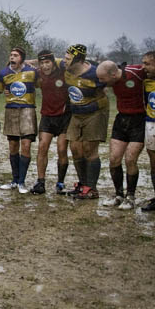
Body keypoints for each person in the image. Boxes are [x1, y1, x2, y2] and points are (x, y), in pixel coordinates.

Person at [97, 59, 147, 209]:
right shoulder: (109, 79)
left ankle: (130, 197)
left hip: (139, 120)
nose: (100, 82)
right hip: (121, 119)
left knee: (130, 159)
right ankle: (118, 195)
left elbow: (150, 68)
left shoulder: (136, 72)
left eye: (102, 79)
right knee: (114, 158)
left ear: (113, 74)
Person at [62, 44, 109, 200]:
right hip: (76, 113)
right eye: (65, 58)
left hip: (94, 113)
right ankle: (82, 184)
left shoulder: (95, 73)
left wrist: (93, 105)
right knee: (75, 147)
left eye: (68, 59)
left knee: (89, 149)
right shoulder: (65, 67)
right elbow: (49, 60)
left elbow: (105, 93)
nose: (65, 61)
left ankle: (92, 188)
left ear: (79, 60)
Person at [0, 47, 38, 194]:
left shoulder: (32, 72)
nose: (12, 57)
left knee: (26, 145)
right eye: (11, 55)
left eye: (16, 55)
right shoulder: (4, 73)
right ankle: (14, 180)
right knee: (13, 146)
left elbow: (43, 82)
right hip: (11, 110)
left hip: (27, 110)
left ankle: (22, 182)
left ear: (22, 58)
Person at [31, 50, 71, 195]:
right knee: (42, 147)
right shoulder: (38, 74)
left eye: (47, 62)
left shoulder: (63, 71)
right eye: (41, 63)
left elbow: (68, 62)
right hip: (47, 116)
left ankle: (60, 182)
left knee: (61, 149)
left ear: (53, 63)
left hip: (65, 116)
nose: (45, 66)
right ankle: (41, 182)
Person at [140, 50, 155, 211]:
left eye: (148, 64)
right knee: (153, 162)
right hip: (151, 123)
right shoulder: (146, 82)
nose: (144, 67)